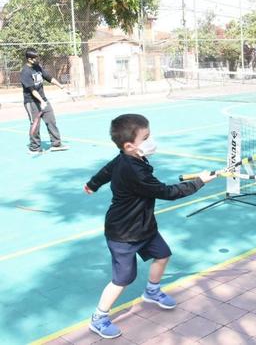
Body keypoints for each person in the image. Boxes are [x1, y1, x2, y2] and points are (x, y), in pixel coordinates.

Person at [83, 114, 217, 339]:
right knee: (123, 279)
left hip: (144, 226)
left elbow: (107, 170)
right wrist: (199, 182)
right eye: (146, 137)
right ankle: (98, 318)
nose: (150, 140)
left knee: (163, 255)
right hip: (123, 234)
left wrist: (92, 184)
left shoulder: (129, 159)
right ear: (129, 146)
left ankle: (152, 291)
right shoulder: (136, 171)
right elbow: (167, 192)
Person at [20, 48, 68, 153]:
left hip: (43, 99)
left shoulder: (38, 67)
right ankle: (34, 147)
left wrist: (61, 86)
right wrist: (41, 101)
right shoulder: (25, 72)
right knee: (35, 124)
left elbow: (49, 78)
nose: (37, 59)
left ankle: (56, 144)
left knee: (51, 120)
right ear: (29, 59)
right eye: (35, 57)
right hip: (31, 101)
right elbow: (32, 90)